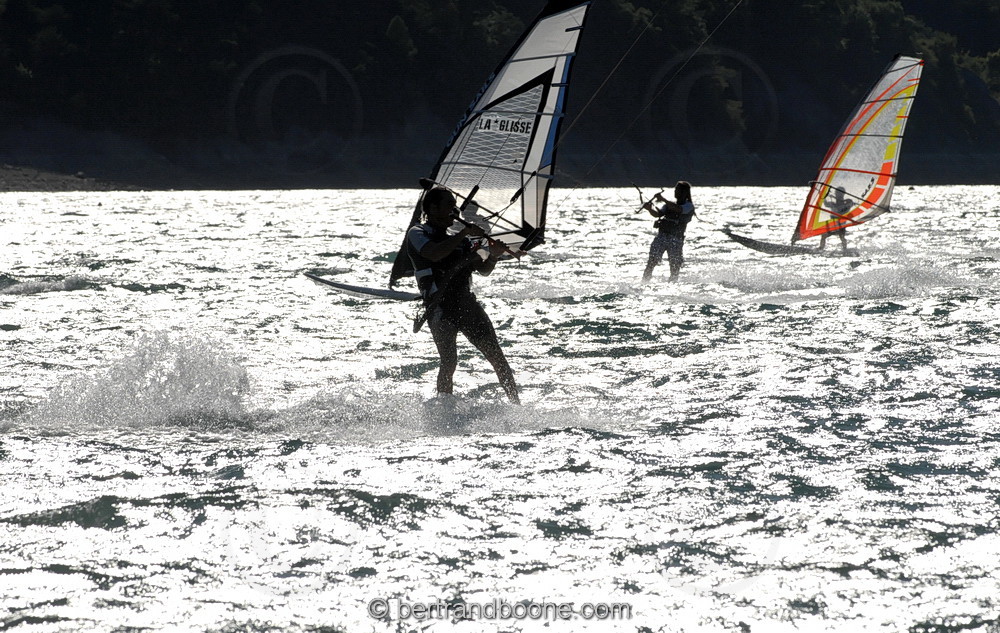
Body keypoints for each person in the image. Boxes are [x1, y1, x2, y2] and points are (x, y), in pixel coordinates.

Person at [407, 187, 520, 404]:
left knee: (498, 358)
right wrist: (464, 233)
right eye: (449, 205)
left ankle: (516, 405)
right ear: (433, 208)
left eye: (455, 205)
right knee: (449, 362)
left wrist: (493, 256)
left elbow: (483, 270)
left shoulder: (461, 240)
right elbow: (434, 254)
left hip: (466, 304)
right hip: (439, 307)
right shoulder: (418, 233)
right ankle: (444, 407)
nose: (455, 210)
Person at [642, 181, 695, 282]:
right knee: (651, 263)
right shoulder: (668, 205)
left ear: (684, 192)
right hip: (662, 237)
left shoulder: (689, 206)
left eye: (677, 190)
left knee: (674, 268)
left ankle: (672, 286)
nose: (675, 191)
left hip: (676, 240)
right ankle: (644, 283)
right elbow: (658, 214)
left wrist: (663, 199)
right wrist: (649, 209)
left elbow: (679, 209)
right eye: (675, 189)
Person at [818, 187, 850, 253]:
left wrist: (846, 201)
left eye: (840, 194)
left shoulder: (846, 204)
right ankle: (821, 248)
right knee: (823, 236)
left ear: (843, 194)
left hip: (841, 225)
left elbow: (850, 204)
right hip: (833, 224)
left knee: (842, 237)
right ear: (835, 194)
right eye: (837, 193)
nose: (838, 195)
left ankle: (845, 249)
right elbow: (826, 204)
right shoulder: (833, 204)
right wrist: (822, 195)